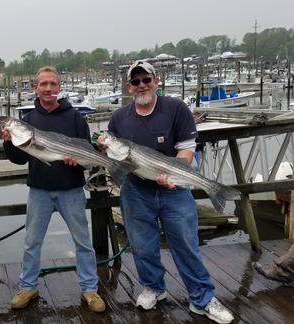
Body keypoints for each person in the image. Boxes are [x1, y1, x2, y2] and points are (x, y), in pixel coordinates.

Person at [99, 61, 233, 324]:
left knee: (186, 245)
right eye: (135, 82)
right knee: (142, 246)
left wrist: (173, 175)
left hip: (174, 189)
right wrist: (107, 148)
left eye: (146, 80)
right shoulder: (119, 118)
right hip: (136, 191)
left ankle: (203, 298)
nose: (142, 85)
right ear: (129, 86)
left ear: (156, 81)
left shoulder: (175, 109)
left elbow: (186, 151)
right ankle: (153, 288)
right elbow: (117, 159)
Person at [2, 66, 106, 313]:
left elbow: (88, 156)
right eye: (43, 84)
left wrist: (78, 160)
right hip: (39, 190)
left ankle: (89, 288)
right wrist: (8, 141)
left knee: (82, 242)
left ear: (59, 87)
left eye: (52, 84)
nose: (48, 89)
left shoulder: (75, 118)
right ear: (35, 88)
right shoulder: (27, 121)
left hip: (71, 189)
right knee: (31, 242)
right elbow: (18, 159)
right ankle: (28, 286)